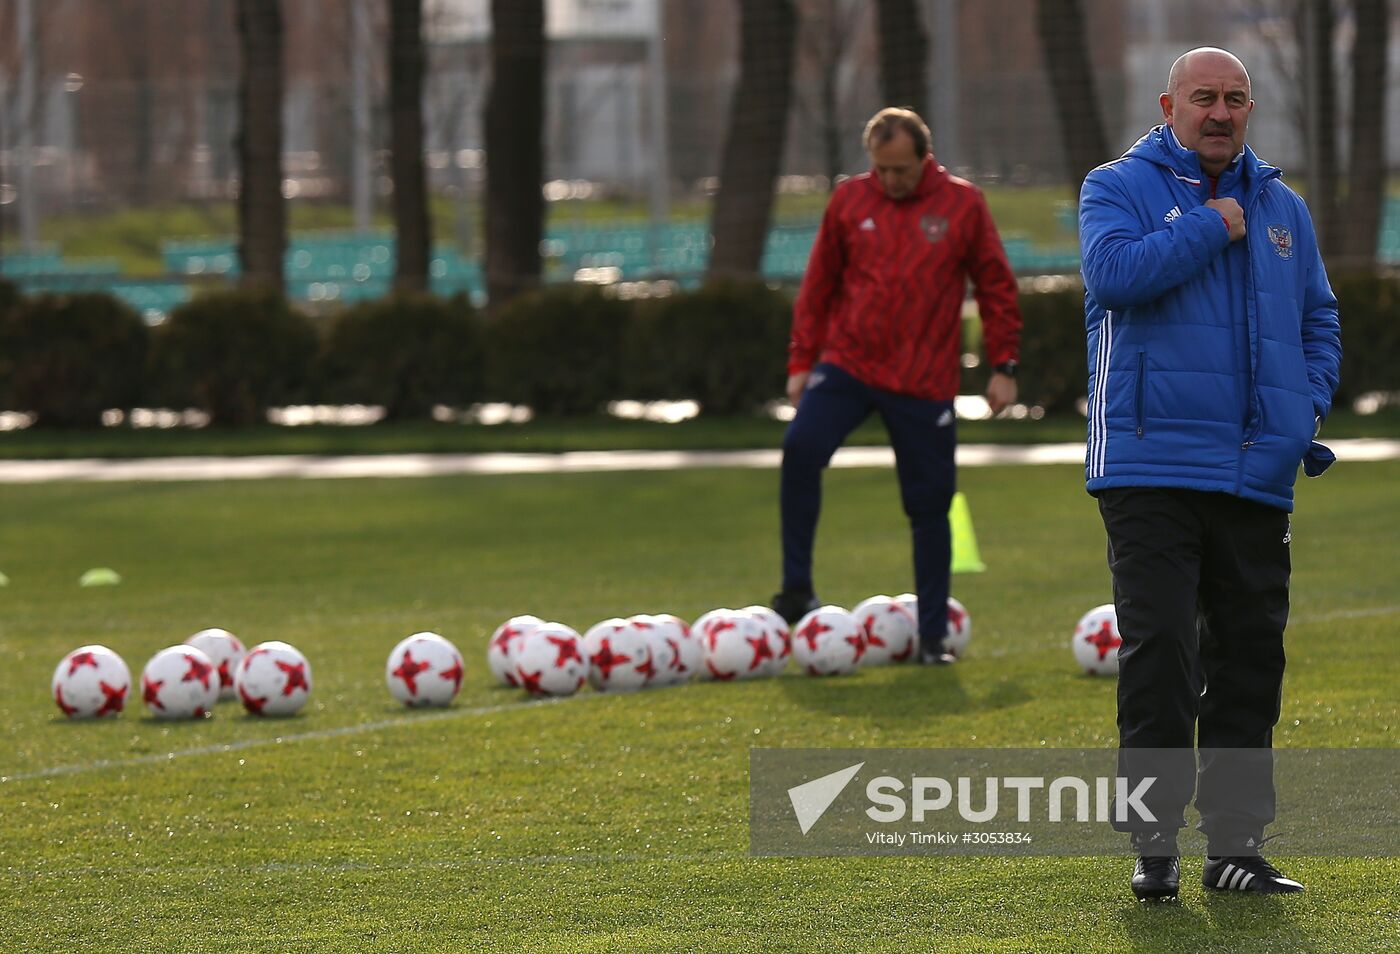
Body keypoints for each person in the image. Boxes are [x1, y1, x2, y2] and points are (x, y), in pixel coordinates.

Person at [1078, 48, 1341, 901]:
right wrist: (1207, 223)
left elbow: (1318, 317)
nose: (1220, 112)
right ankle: (1153, 846)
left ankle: (1236, 848)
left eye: (1234, 99)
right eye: (1203, 98)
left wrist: (1306, 405)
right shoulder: (1114, 186)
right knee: (1160, 652)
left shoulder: (1284, 207)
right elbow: (1114, 278)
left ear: (1249, 108)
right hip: (1150, 465)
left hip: (1256, 471)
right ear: (1169, 105)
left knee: (1249, 661)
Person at [772, 107, 1022, 664]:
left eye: (900, 171)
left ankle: (932, 636)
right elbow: (818, 285)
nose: (890, 181)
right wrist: (800, 361)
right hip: (848, 365)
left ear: (924, 159)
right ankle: (796, 589)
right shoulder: (849, 201)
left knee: (930, 503)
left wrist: (1002, 366)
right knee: (799, 449)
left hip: (924, 379)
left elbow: (996, 286)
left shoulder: (962, 204)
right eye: (880, 170)